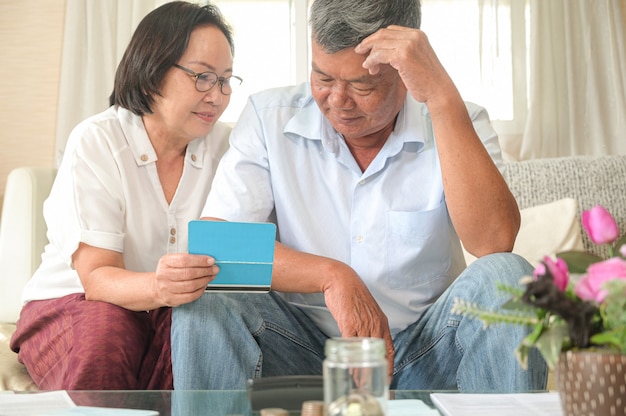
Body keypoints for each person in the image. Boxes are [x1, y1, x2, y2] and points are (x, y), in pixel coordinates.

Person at [172, 0, 547, 392]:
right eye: (323, 78)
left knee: (510, 276)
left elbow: (494, 242)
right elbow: (219, 248)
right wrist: (333, 277)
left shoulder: (456, 118)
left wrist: (439, 96)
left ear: (406, 73)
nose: (337, 101)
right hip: (303, 352)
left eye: (362, 86)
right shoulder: (269, 117)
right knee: (206, 294)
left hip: (426, 355)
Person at [10, 1, 240, 390]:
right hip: (77, 302)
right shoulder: (98, 140)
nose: (217, 96)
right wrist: (160, 288)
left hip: (171, 308)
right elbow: (98, 279)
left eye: (225, 80)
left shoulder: (231, 148)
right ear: (152, 72)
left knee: (197, 330)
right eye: (202, 77)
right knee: (107, 333)